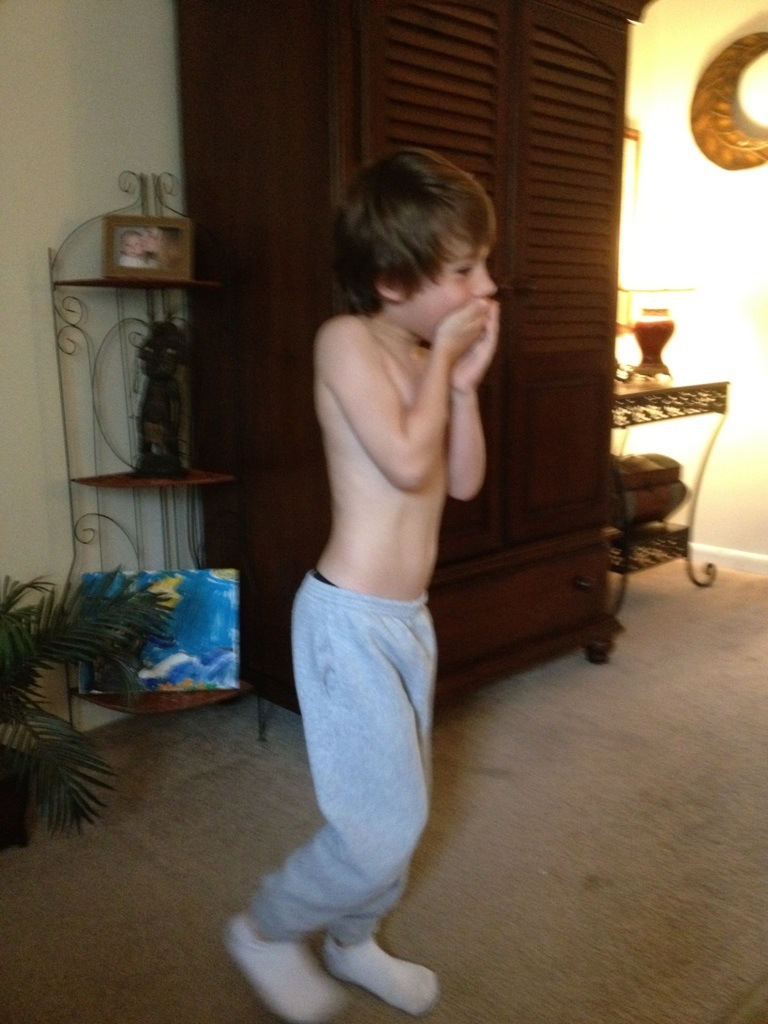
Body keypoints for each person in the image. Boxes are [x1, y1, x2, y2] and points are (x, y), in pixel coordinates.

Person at [225, 148, 499, 1023]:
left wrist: (462, 386)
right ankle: (264, 929)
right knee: (379, 823)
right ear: (391, 280)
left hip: (406, 620)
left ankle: (353, 940)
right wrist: (442, 362)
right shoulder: (343, 343)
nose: (487, 286)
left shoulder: (422, 356)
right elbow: (406, 461)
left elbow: (462, 480)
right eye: (465, 271)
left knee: (402, 809)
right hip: (345, 622)